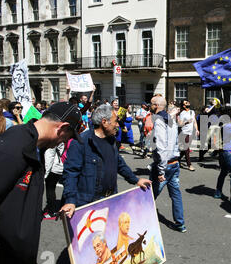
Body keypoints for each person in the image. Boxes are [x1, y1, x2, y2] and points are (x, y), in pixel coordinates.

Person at [0, 102, 83, 264]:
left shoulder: (34, 144)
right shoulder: (14, 147)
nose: (64, 142)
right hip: (5, 262)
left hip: (17, 258)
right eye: (68, 137)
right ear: (62, 128)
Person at [60, 104, 151, 218]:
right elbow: (70, 174)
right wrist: (70, 200)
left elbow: (119, 164)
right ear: (104, 122)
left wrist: (135, 180)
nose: (117, 124)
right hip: (89, 204)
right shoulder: (81, 142)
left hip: (110, 200)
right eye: (115, 121)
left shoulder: (111, 141)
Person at [149, 95, 186, 233]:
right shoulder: (170, 119)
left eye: (151, 104)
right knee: (175, 194)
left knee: (149, 196)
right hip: (175, 162)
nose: (150, 106)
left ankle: (142, 221)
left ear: (157, 106)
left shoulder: (159, 120)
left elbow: (161, 146)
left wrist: (160, 171)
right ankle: (180, 223)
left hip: (166, 165)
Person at [43, 142, 65, 219]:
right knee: (54, 188)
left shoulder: (57, 140)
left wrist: (46, 172)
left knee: (50, 189)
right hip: (62, 166)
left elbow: (50, 155)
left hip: (54, 168)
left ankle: (51, 211)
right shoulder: (68, 139)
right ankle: (56, 209)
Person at [178, 100, 199, 171]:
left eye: (188, 102)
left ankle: (177, 159)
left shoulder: (192, 112)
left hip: (191, 132)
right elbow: (180, 124)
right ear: (184, 106)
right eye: (186, 103)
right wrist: (187, 122)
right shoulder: (182, 113)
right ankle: (189, 165)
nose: (188, 103)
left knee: (185, 149)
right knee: (186, 149)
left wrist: (197, 129)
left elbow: (194, 121)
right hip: (184, 132)